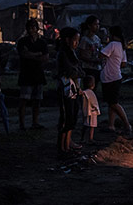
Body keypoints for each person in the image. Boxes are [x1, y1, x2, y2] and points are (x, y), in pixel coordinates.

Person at [55, 27, 84, 156]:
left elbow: (79, 71)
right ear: (67, 40)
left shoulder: (72, 53)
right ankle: (62, 147)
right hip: (65, 88)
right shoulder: (63, 53)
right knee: (66, 118)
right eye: (75, 40)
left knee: (72, 116)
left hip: (73, 89)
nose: (77, 43)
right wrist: (77, 73)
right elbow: (71, 71)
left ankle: (67, 144)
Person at [17, 18, 48, 130]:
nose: (31, 30)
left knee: (37, 100)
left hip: (37, 73)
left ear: (37, 28)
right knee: (24, 99)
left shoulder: (42, 42)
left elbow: (45, 57)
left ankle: (35, 122)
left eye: (33, 27)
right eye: (29, 27)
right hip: (26, 73)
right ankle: (22, 124)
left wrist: (31, 54)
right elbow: (23, 55)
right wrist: (37, 54)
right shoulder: (22, 41)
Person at [100, 26, 131, 135]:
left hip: (109, 77)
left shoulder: (112, 45)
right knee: (111, 102)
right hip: (116, 76)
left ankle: (127, 124)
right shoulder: (121, 47)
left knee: (113, 103)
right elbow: (123, 63)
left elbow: (101, 55)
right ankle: (111, 125)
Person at [78, 15, 102, 89]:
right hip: (88, 67)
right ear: (89, 25)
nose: (97, 26)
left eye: (98, 24)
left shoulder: (97, 39)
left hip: (97, 67)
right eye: (95, 24)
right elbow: (81, 55)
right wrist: (92, 60)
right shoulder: (84, 39)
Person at [81, 75, 100, 144]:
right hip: (91, 111)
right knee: (91, 126)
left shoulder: (88, 92)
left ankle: (84, 138)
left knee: (87, 125)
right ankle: (90, 138)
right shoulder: (89, 92)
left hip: (89, 111)